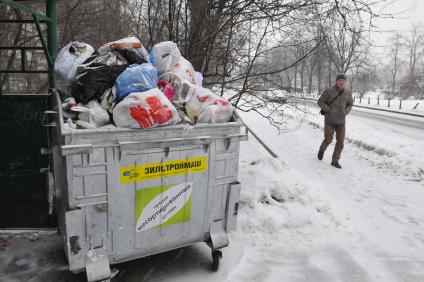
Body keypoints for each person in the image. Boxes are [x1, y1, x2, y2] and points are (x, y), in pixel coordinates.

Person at [317, 73, 353, 169]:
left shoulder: (348, 92)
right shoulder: (329, 91)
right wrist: (328, 110)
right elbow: (320, 102)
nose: (341, 82)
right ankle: (322, 149)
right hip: (330, 120)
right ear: (336, 81)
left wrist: (346, 111)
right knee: (328, 139)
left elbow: (350, 104)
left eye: (343, 81)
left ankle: (335, 160)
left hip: (341, 121)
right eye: (339, 80)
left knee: (340, 142)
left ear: (345, 82)